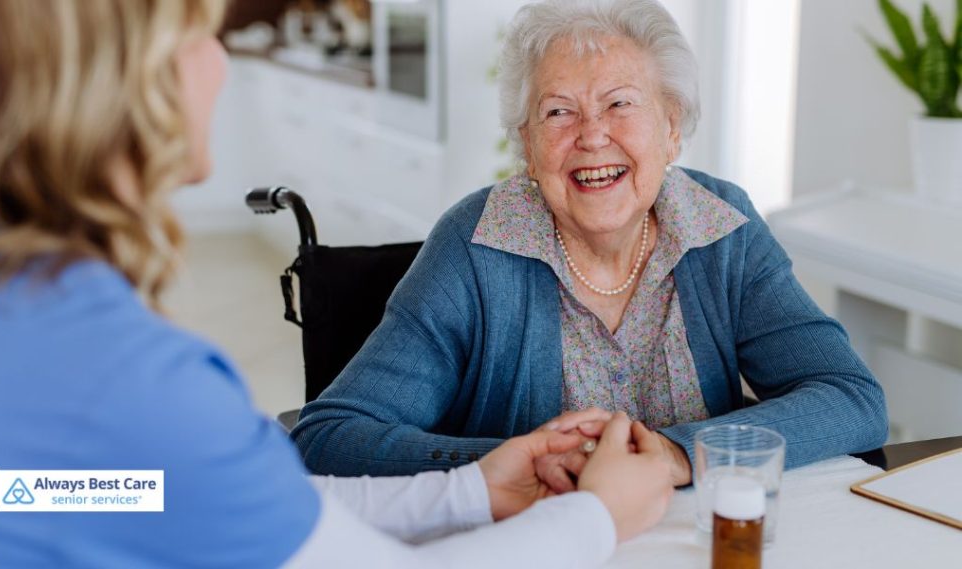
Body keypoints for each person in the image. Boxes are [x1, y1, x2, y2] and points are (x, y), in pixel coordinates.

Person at [0, 0, 675, 567]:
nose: (221, 64)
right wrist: (597, 517)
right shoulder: (124, 384)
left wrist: (471, 490)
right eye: (200, 33)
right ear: (122, 83)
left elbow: (92, 492)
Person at [291, 0, 889, 491]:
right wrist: (519, 462)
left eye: (620, 103)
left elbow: (852, 398)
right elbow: (330, 434)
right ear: (526, 144)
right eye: (558, 112)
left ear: (672, 126)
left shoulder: (721, 228)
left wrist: (676, 456)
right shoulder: (473, 246)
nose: (593, 135)